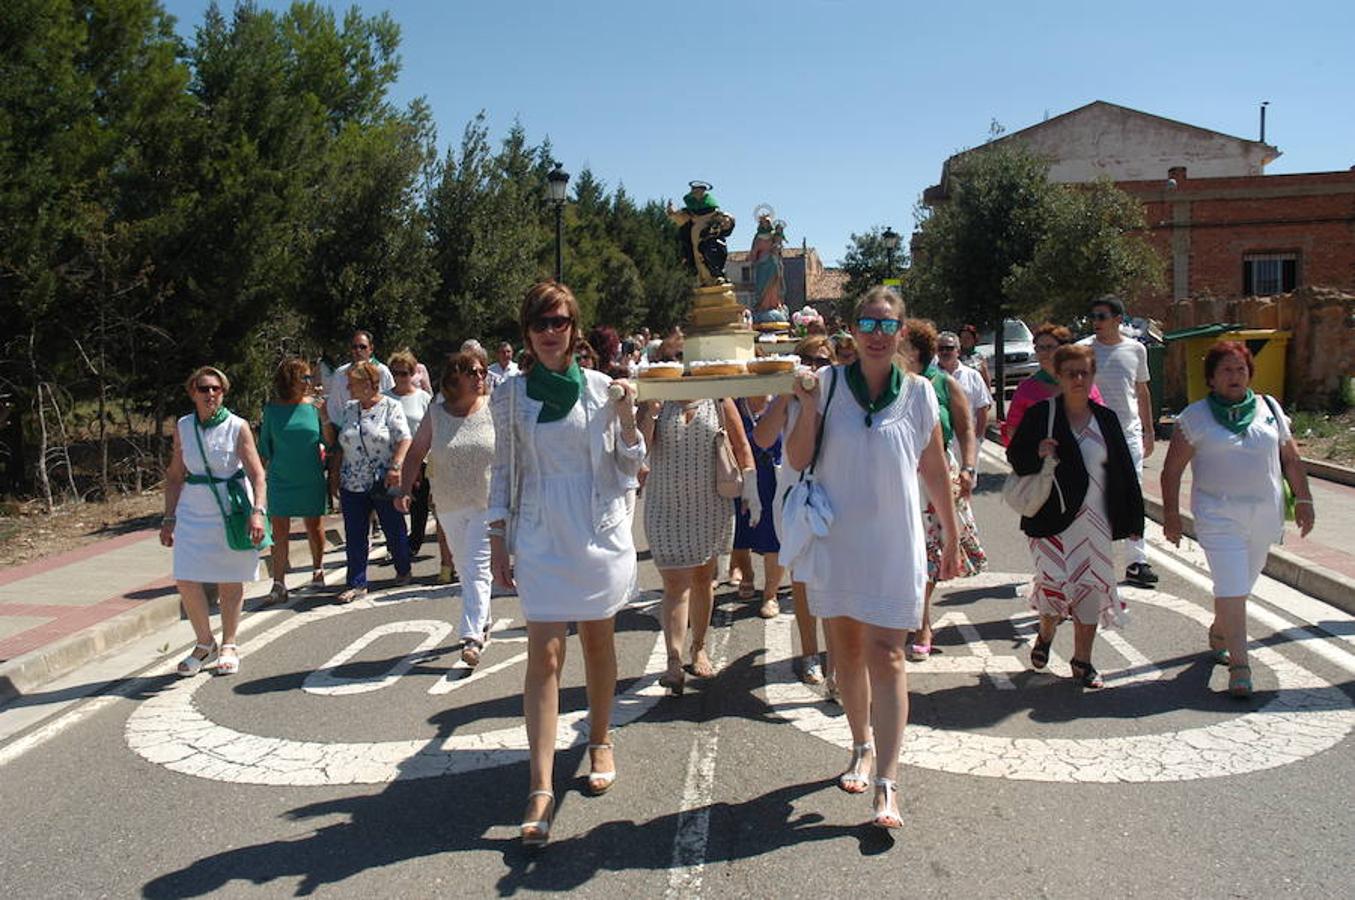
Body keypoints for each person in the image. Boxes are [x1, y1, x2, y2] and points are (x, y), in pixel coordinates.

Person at [784, 288, 962, 830]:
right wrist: (809, 405)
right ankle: (859, 742)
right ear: (853, 332)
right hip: (839, 539)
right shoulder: (829, 385)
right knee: (848, 653)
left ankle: (887, 782)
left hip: (893, 540)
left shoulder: (919, 394)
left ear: (902, 333)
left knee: (888, 656)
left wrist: (951, 536)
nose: (878, 333)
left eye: (888, 325)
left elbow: (933, 468)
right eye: (868, 323)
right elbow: (795, 457)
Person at [487, 281, 644, 848]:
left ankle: (600, 738)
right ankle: (541, 785)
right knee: (545, 654)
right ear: (527, 333)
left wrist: (628, 416)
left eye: (559, 322)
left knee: (599, 641)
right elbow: (503, 471)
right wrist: (498, 539)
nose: (551, 332)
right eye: (540, 323)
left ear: (574, 327)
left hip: (595, 528)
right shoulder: (508, 396)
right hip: (539, 531)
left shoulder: (603, 389)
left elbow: (630, 464)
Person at [1160, 341, 1316, 698]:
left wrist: (1304, 499)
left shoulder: (1269, 409)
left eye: (1241, 369)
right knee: (1230, 587)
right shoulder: (1194, 417)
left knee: (1241, 586)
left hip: (1264, 515)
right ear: (1211, 379)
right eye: (1226, 370)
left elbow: (1290, 460)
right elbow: (1171, 471)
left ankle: (1220, 629)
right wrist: (1171, 515)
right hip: (1217, 516)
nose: (1235, 376)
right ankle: (1240, 667)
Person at [1006, 345, 1145, 689]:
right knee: (1054, 586)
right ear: (1059, 376)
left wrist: (1133, 522)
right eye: (1071, 373)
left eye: (1085, 373)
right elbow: (1015, 455)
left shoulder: (1106, 419)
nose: (1079, 379)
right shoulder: (1042, 414)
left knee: (1091, 589)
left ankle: (1083, 661)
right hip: (1051, 521)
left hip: (1095, 522)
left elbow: (1125, 472)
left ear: (1092, 375)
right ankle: (1046, 633)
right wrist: (1037, 452)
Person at [638, 337, 757, 694]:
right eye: (671, 359)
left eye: (685, 359)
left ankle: (699, 647)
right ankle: (674, 662)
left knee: (704, 579)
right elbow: (639, 449)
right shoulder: (656, 398)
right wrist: (651, 410)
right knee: (675, 584)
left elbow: (742, 448)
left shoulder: (718, 397)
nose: (680, 365)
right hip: (665, 506)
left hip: (709, 506)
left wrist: (751, 491)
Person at [160, 367, 268, 677]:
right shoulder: (183, 426)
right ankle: (204, 642)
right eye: (204, 389)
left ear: (223, 392)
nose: (210, 395)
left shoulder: (237, 426)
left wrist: (257, 511)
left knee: (229, 577)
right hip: (193, 508)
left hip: (231, 508)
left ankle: (229, 643)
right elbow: (175, 475)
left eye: (216, 389)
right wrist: (169, 518)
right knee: (186, 577)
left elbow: (257, 473)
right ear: (192, 392)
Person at [398, 352, 497, 665]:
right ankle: (484, 620)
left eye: (482, 371)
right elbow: (416, 452)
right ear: (455, 378)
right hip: (449, 503)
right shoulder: (436, 414)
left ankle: (471, 637)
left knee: (478, 566)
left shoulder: (493, 409)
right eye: (473, 372)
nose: (480, 376)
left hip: (487, 502)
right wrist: (404, 488)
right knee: (466, 566)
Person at [752, 334, 836, 687]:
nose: (814, 369)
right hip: (794, 495)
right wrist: (788, 392)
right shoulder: (786, 400)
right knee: (801, 579)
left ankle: (836, 660)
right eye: (809, 361)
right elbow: (763, 439)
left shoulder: (837, 396)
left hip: (834, 496)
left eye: (822, 362)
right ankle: (809, 653)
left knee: (833, 582)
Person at [904, 320, 987, 663]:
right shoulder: (888, 385)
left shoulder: (944, 383)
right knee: (906, 551)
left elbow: (967, 428)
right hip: (901, 476)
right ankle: (910, 618)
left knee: (930, 553)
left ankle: (921, 622)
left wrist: (969, 468)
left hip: (936, 476)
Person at [1080, 295, 1158, 588]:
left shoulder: (1136, 349)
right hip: (1093, 433)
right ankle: (1092, 560)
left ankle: (1137, 561)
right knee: (1095, 496)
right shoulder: (1084, 350)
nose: (1095, 322)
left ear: (1117, 320)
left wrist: (1148, 431)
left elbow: (1142, 391)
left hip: (1128, 433)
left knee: (1133, 497)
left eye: (1101, 316)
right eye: (1093, 316)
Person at [333, 361, 412, 603]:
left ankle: (403, 567)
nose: (348, 387)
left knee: (392, 526)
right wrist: (335, 476)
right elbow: (341, 442)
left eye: (353, 383)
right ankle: (356, 582)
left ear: (368, 384)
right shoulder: (349, 408)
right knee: (355, 533)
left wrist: (396, 466)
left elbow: (404, 438)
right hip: (352, 481)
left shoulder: (391, 406)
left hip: (382, 479)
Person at [259, 358, 332, 605]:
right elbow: (264, 448)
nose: (310, 382)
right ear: (290, 380)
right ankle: (278, 584)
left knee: (314, 525)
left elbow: (330, 441)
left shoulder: (314, 407)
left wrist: (324, 416)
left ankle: (318, 568)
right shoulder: (272, 410)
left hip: (310, 476)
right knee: (279, 531)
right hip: (280, 479)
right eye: (305, 377)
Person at [1001, 323, 1105, 446]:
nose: (1044, 353)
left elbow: (1102, 420)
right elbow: (1013, 428)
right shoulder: (1026, 388)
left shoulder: (1083, 382)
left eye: (1050, 347)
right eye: (1040, 348)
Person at [730, 395, 785, 619]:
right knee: (739, 534)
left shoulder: (780, 401)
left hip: (774, 476)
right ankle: (747, 574)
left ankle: (770, 594)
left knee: (775, 537)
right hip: (739, 475)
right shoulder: (733, 403)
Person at [385, 350, 433, 554]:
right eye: (395, 373)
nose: (400, 377)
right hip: (393, 459)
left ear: (412, 373)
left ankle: (414, 544)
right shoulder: (385, 399)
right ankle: (396, 545)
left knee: (418, 506)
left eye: (404, 373)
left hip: (419, 458)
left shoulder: (423, 398)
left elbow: (432, 428)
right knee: (392, 506)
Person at [326, 329, 394, 422]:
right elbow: (333, 406)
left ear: (371, 349)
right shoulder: (340, 373)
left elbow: (391, 399)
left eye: (363, 347)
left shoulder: (382, 371)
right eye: (354, 347)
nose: (358, 350)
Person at [937, 330, 992, 443]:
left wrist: (978, 436)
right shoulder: (928, 377)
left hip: (967, 439)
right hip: (938, 441)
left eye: (949, 348)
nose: (944, 352)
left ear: (958, 351)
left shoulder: (972, 375)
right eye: (941, 348)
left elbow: (982, 406)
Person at [957, 324, 991, 388]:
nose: (965, 340)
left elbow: (986, 378)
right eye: (962, 338)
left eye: (968, 338)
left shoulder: (980, 357)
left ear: (974, 339)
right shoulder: (956, 357)